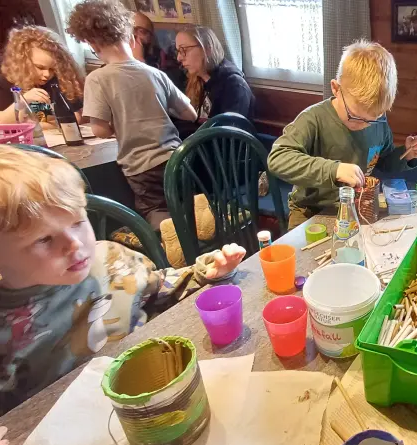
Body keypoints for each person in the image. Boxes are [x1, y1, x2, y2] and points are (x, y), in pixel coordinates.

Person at [0, 145, 246, 414]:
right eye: (44, 239)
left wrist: (205, 273)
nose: (75, 245)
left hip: (159, 391)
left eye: (77, 222)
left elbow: (159, 288)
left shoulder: (111, 258)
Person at [268, 40, 417, 230]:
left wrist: (406, 154)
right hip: (312, 212)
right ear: (336, 89)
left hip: (357, 209)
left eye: (374, 118)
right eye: (355, 117)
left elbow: (383, 160)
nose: (364, 125)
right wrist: (333, 170)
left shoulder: (377, 121)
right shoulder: (314, 119)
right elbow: (277, 159)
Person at [66, 0, 197, 227]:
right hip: (176, 158)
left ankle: (172, 250)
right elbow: (191, 114)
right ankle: (194, 242)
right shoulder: (155, 74)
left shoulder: (97, 79)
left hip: (140, 166)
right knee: (185, 205)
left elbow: (99, 129)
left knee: (156, 212)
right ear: (131, 35)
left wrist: (118, 123)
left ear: (92, 43)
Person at [0, 26, 84, 127]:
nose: (47, 74)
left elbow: (74, 117)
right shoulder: (5, 83)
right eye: (40, 67)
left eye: (52, 69)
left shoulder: (57, 81)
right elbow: (2, 122)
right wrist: (23, 101)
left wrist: (33, 123)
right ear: (23, 63)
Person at [175, 26, 255, 121]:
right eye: (178, 51)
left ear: (208, 49)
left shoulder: (234, 85)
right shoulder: (196, 79)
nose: (179, 58)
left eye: (184, 49)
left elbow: (229, 132)